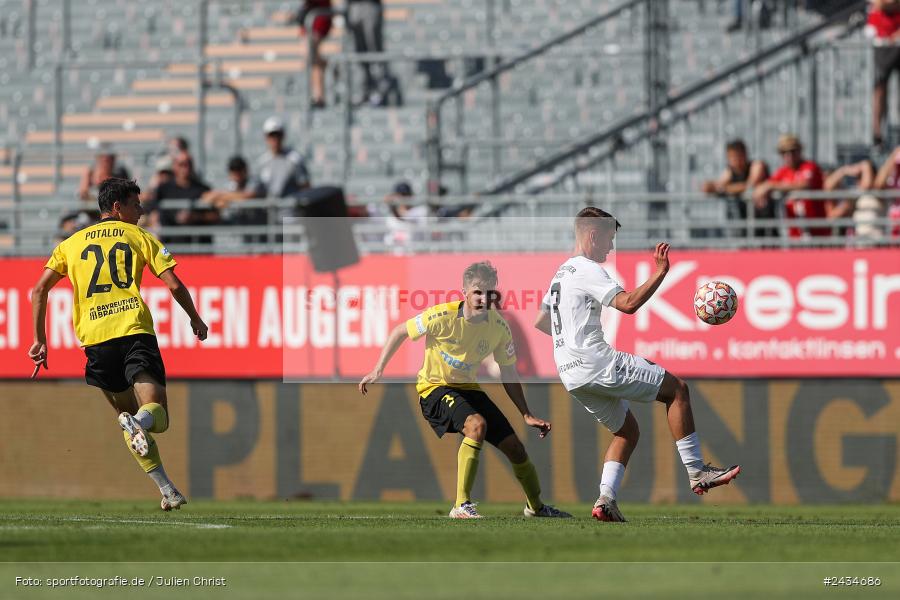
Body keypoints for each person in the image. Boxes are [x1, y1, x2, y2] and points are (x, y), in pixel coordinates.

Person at [535, 207, 741, 522]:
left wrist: (572, 335)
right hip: (595, 361)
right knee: (677, 390)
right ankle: (697, 471)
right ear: (593, 235)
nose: (610, 247)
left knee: (627, 431)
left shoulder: (558, 274)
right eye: (608, 239)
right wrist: (660, 272)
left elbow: (541, 322)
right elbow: (628, 304)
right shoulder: (587, 268)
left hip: (569, 372)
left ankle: (605, 501)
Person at [28, 178, 208, 511]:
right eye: (135, 205)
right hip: (132, 330)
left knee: (129, 417)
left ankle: (167, 490)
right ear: (117, 207)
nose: (140, 211)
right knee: (158, 417)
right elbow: (173, 283)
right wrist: (195, 318)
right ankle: (143, 428)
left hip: (95, 341)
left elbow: (39, 290)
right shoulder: (139, 236)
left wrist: (40, 339)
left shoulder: (71, 243)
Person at [359, 261, 570, 519]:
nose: (483, 298)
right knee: (476, 425)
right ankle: (461, 506)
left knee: (516, 448)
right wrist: (378, 369)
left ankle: (536, 508)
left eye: (489, 292)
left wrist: (525, 413)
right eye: (478, 291)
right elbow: (400, 331)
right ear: (464, 292)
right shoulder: (441, 316)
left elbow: (508, 371)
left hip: (468, 389)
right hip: (434, 388)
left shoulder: (499, 327)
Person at [752, 134, 829, 238]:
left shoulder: (810, 166)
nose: (789, 156)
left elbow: (804, 184)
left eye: (793, 151)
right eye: (784, 153)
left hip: (817, 232)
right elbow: (767, 184)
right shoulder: (783, 171)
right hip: (795, 234)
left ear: (800, 151)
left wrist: (772, 186)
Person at [701, 139, 772, 237]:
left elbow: (749, 185)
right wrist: (710, 186)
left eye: (737, 156)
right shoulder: (730, 171)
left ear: (745, 154)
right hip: (745, 222)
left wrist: (724, 189)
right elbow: (717, 185)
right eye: (732, 157)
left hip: (766, 221)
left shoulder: (756, 165)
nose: (735, 160)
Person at [866, 1, 900, 146]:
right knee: (879, 91)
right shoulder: (876, 14)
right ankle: (877, 132)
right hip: (882, 52)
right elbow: (878, 4)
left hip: (897, 51)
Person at [347, 0, 391, 106]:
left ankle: (380, 91)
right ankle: (364, 91)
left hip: (370, 5)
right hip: (353, 6)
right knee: (359, 53)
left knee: (374, 49)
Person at [296, 0, 333, 109]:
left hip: (317, 20)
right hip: (310, 20)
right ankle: (318, 95)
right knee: (312, 59)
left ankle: (319, 95)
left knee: (312, 58)